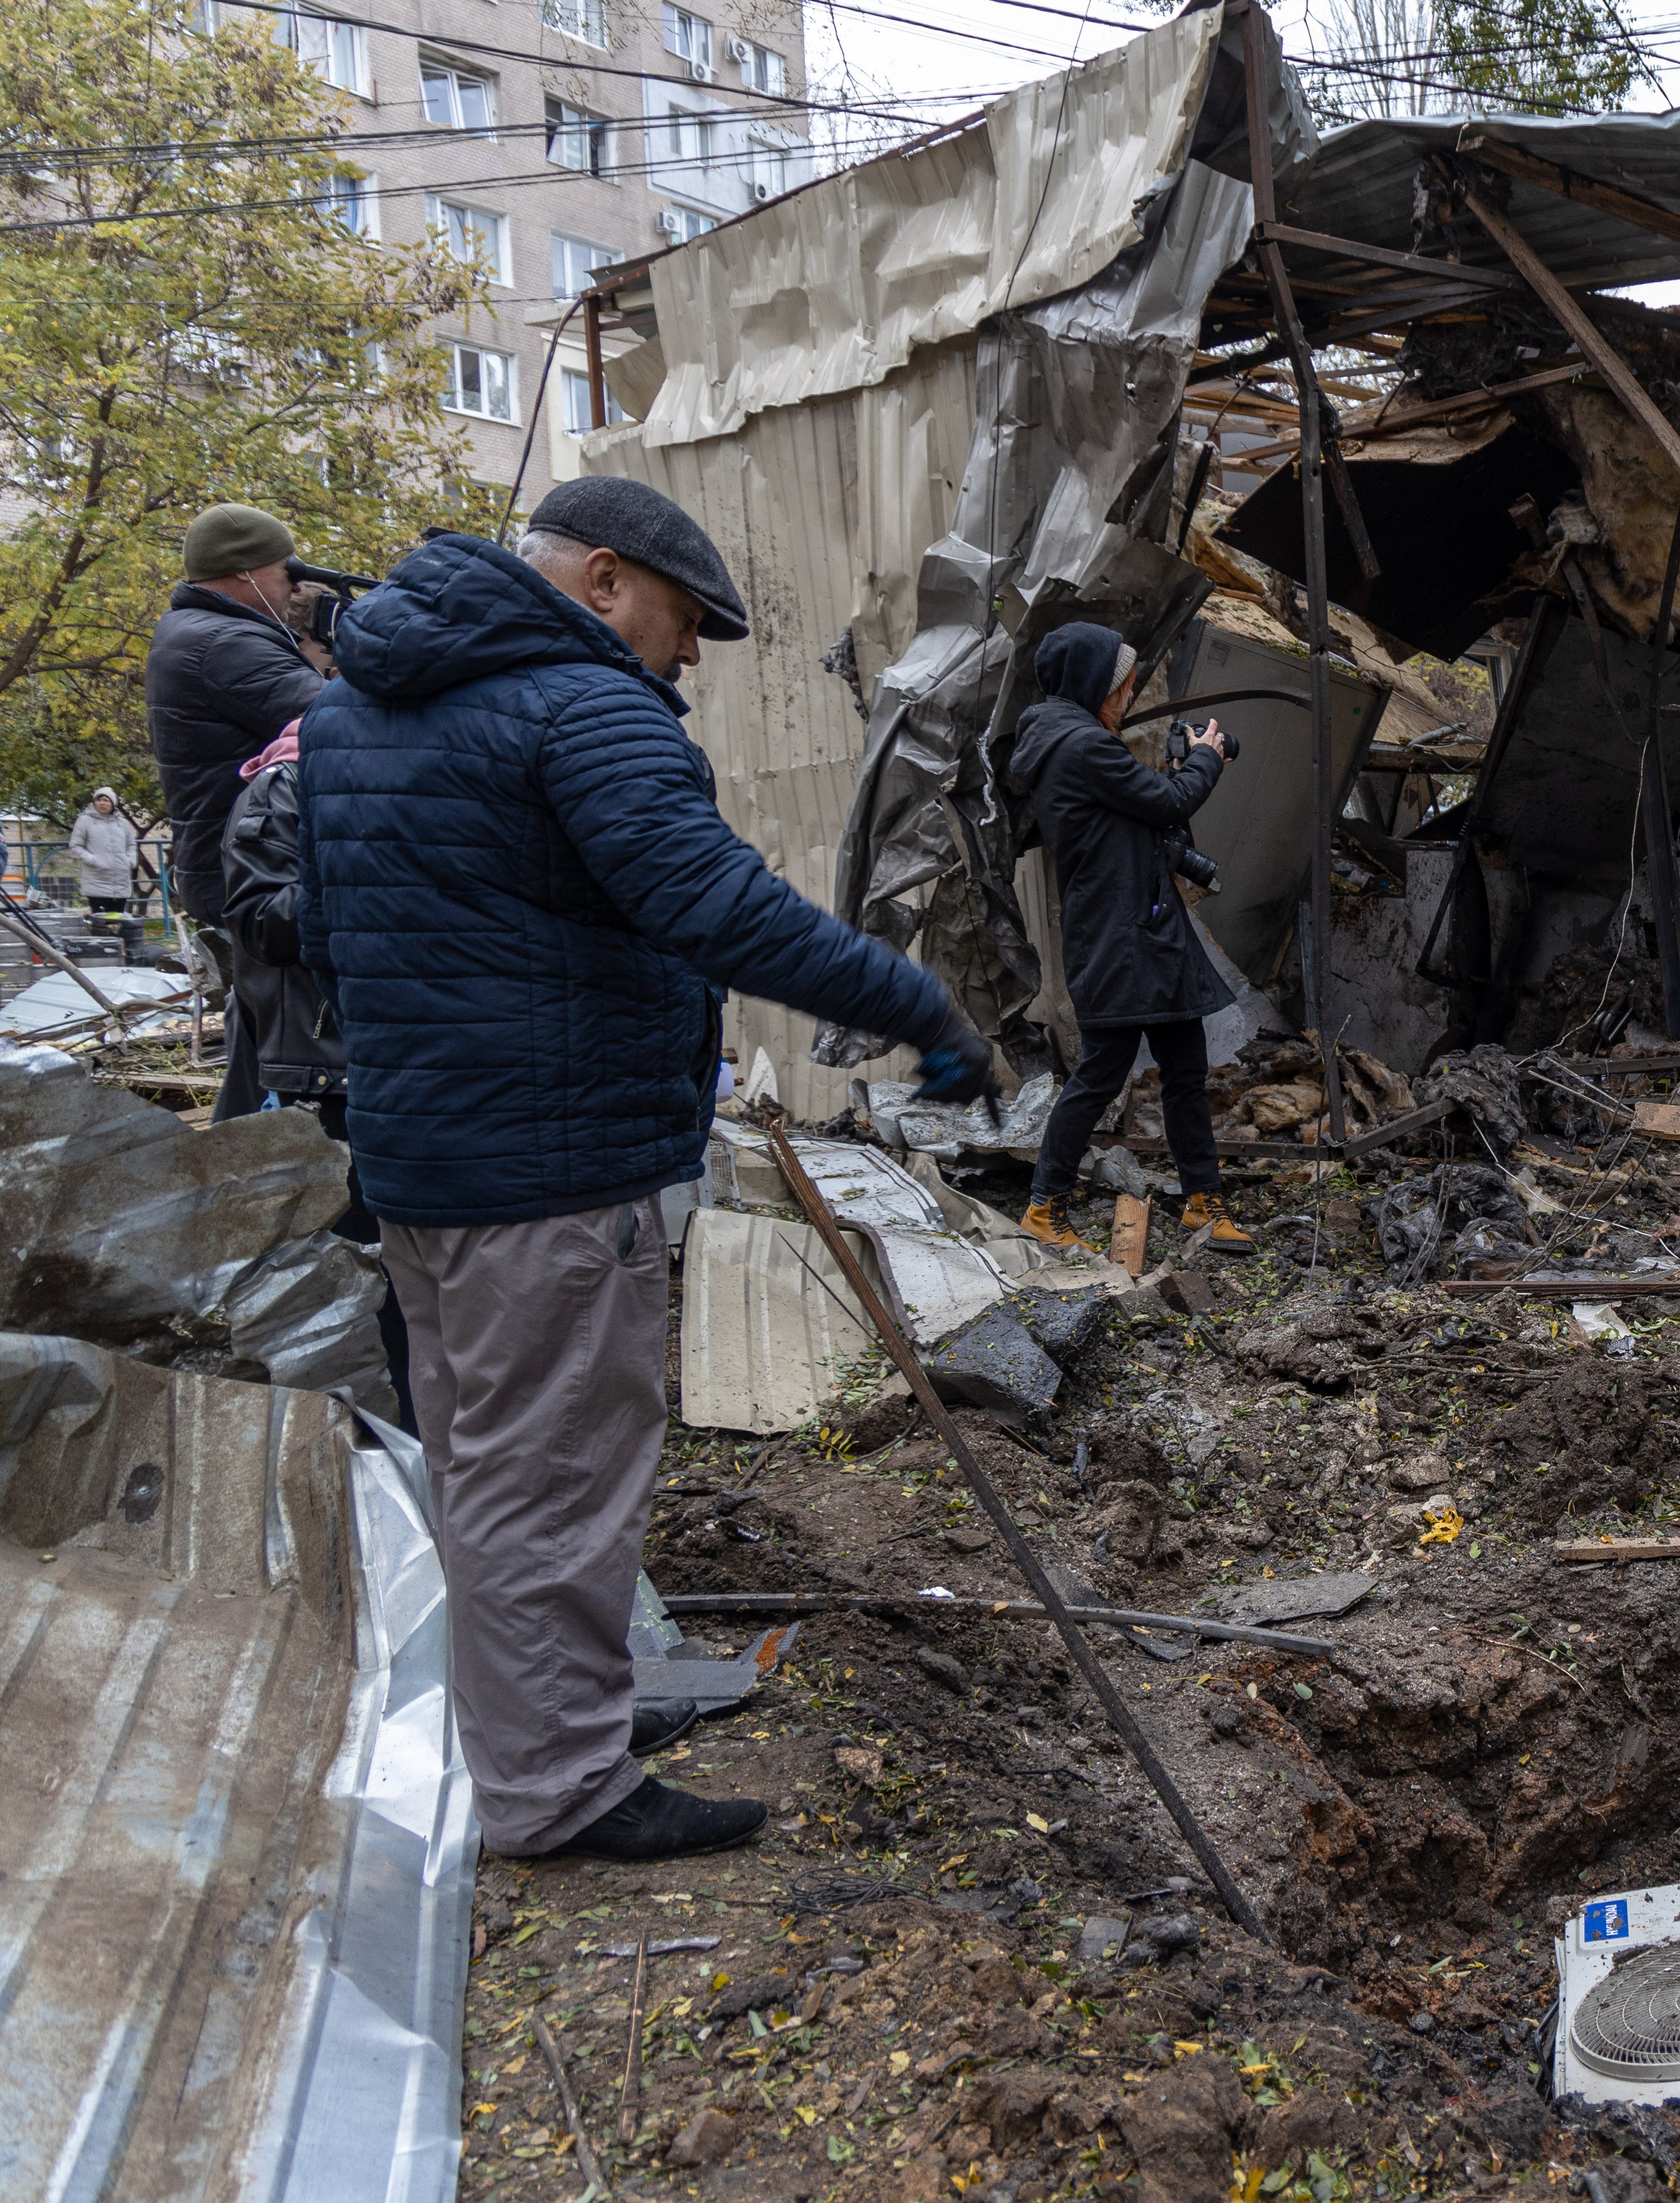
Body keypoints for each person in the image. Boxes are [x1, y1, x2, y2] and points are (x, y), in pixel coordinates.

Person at [298, 475, 998, 1866]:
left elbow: (320, 934)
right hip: (546, 1172)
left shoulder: (348, 711)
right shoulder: (578, 704)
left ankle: (556, 1728)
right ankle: (560, 1790)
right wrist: (914, 1003)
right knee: (553, 1481)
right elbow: (715, 903)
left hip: (428, 1163)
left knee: (492, 1468)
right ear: (606, 579)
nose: (688, 658)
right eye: (685, 624)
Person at [1006, 621, 1253, 1255]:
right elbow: (1169, 803)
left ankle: (1203, 1201)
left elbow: (1145, 809)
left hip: (1143, 932)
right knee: (1100, 1075)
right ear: (1092, 682)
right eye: (1120, 684)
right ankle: (1042, 1208)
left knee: (1185, 1070)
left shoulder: (1074, 741)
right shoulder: (1082, 745)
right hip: (1122, 938)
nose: (1128, 694)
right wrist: (1207, 756)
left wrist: (1177, 769)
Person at [219, 720, 417, 1432]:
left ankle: (414, 1454)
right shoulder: (287, 784)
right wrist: (373, 878)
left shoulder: (421, 777)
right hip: (328, 1082)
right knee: (353, 1291)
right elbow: (260, 918)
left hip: (420, 1076)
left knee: (416, 1291)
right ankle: (362, 1450)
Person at [147, 503, 326, 1117]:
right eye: (287, 572)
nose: (296, 587)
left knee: (255, 1040)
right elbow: (338, 720)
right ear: (247, 575)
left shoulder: (200, 633)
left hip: (232, 875)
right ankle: (257, 1179)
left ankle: (241, 1170)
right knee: (277, 1049)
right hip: (258, 880)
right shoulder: (225, 644)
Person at [67, 787, 142, 955]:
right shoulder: (85, 821)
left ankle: (117, 953)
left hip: (120, 880)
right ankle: (101, 954)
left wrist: (130, 861)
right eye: (99, 799)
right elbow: (75, 846)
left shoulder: (122, 824)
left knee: (118, 921)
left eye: (106, 800)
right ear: (94, 802)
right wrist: (94, 860)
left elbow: (131, 844)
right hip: (97, 880)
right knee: (101, 922)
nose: (102, 803)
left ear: (113, 804)